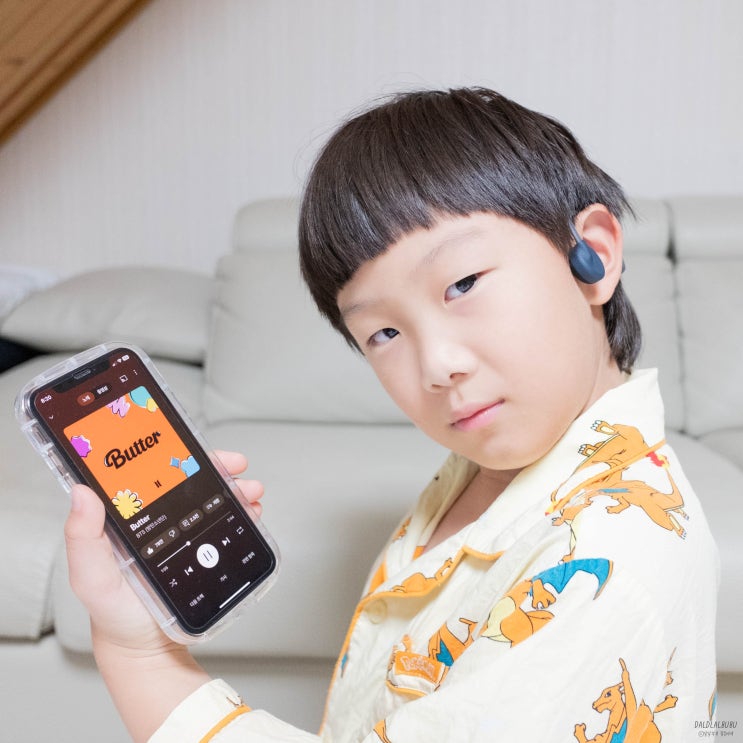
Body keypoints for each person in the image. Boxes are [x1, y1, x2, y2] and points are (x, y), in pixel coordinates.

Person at [65, 87, 718, 742]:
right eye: (383, 333)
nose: (436, 364)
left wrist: (139, 655)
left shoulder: (609, 558)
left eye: (462, 284)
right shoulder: (484, 475)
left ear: (592, 256)